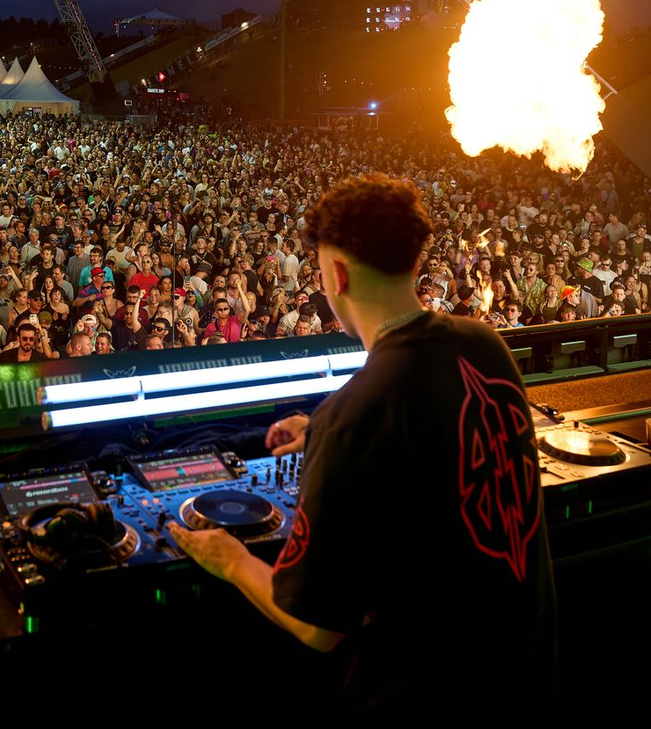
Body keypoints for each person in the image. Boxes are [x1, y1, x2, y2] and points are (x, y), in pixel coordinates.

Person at [168, 174, 556, 716]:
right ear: (414, 261)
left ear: (337, 274)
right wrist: (327, 430)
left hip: (426, 697)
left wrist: (231, 560)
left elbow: (317, 626)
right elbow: (436, 439)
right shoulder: (484, 342)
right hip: (525, 669)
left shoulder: (356, 415)